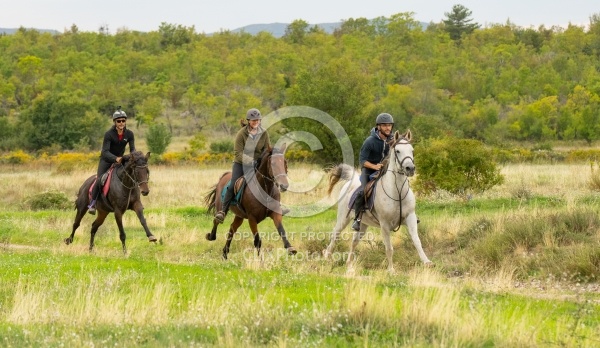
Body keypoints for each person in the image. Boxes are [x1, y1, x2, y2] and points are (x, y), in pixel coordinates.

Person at [214, 108, 271, 223]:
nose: (256, 122)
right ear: (248, 121)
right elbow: (237, 153)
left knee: (270, 180)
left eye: (257, 120)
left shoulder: (264, 133)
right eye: (253, 120)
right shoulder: (241, 133)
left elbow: (267, 149)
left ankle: (276, 207)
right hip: (240, 163)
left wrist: (265, 160)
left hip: (258, 164)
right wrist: (250, 161)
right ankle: (223, 211)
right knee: (232, 184)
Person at [87, 106, 136, 215]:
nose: (121, 123)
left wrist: (133, 156)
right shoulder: (109, 134)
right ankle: (92, 203)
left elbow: (132, 149)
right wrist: (115, 158)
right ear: (115, 122)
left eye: (123, 120)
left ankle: (134, 201)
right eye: (119, 121)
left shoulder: (129, 134)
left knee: (131, 176)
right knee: (100, 180)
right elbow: (105, 152)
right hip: (106, 160)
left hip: (120, 160)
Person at [351, 113, 395, 231]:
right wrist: (374, 166)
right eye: (384, 125)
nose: (388, 128)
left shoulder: (392, 140)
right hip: (368, 170)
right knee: (363, 191)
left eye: (389, 125)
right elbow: (362, 161)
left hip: (385, 170)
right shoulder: (370, 141)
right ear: (378, 127)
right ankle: (357, 219)